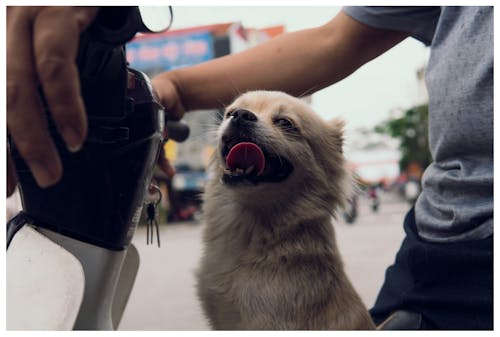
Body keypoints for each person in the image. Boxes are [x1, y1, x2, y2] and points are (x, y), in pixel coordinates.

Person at [7, 6, 493, 329]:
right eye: (235, 114)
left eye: (285, 124)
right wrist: (167, 90)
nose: (242, 119)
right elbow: (335, 40)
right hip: (435, 245)